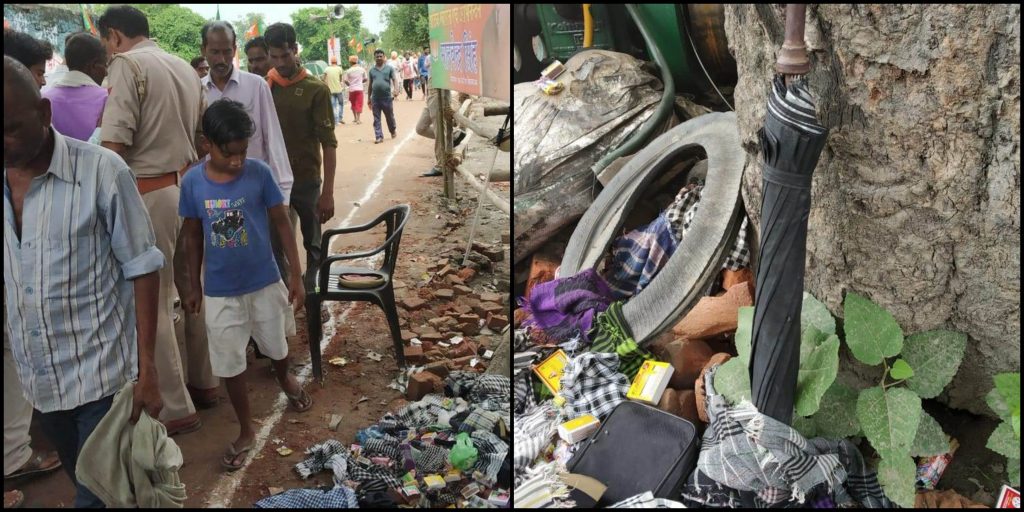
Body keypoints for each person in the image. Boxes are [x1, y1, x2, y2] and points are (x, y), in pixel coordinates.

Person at [3, 55, 165, 508]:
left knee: (97, 498)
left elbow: (143, 266)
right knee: (89, 484)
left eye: (11, 127)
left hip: (103, 382)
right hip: (42, 384)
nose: (4, 142)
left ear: (44, 114)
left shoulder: (101, 172)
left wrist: (148, 368)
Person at [179, 99, 312, 472]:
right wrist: (192, 285)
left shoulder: (259, 174)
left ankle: (284, 376)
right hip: (220, 291)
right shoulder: (192, 182)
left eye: (242, 152)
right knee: (230, 361)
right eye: (228, 153)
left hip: (265, 281)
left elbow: (282, 223)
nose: (237, 161)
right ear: (206, 143)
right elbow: (192, 236)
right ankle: (245, 428)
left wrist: (295, 274)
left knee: (277, 344)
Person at [97, 4, 206, 436]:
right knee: (189, 285)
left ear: (115, 36)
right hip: (182, 186)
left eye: (106, 42)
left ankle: (176, 407)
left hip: (148, 191)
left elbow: (113, 145)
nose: (107, 51)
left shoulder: (127, 65)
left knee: (153, 302)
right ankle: (206, 380)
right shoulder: (181, 65)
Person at [198, 20, 299, 373]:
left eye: (227, 50)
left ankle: (279, 346)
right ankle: (250, 343)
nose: (222, 58)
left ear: (235, 49)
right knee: (236, 259)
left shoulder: (257, 86)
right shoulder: (198, 92)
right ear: (204, 52)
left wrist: (282, 193)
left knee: (270, 267)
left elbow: (272, 139)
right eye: (215, 51)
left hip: (260, 196)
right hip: (222, 200)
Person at [264, 22, 337, 292]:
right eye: (275, 56)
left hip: (307, 181)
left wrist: (327, 192)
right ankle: (286, 299)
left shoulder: (316, 89)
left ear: (295, 50)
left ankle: (315, 297)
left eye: (286, 55)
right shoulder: (265, 87)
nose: (281, 62)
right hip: (273, 182)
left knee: (313, 244)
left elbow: (329, 144)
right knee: (276, 244)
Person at [41, 32, 108, 142]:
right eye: (105, 65)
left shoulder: (45, 98)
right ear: (94, 65)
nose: (106, 72)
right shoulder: (106, 99)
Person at [416, 88, 467, 177]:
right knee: (420, 128)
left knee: (439, 131)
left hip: (438, 94)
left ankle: (440, 166)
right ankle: (455, 134)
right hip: (431, 95)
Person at [367, 48, 400, 144]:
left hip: (387, 98)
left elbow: (394, 79)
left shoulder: (389, 68)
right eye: (377, 56)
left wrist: (396, 89)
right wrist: (369, 98)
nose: (379, 58)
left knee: (389, 116)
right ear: (374, 58)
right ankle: (379, 136)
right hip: (375, 99)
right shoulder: (372, 70)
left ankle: (392, 130)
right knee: (376, 118)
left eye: (381, 56)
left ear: (384, 57)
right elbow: (370, 85)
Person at [344, 54, 367, 125]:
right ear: (357, 61)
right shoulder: (362, 69)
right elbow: (366, 78)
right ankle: (358, 119)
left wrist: (349, 84)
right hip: (359, 89)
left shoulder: (348, 71)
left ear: (350, 62)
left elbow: (345, 80)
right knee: (359, 104)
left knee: (353, 104)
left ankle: (355, 118)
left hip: (351, 89)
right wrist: (361, 82)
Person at [323, 56, 346, 125]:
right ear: (336, 62)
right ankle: (340, 118)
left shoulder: (327, 69)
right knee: (341, 104)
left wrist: (327, 84)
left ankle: (335, 121)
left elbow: (323, 79)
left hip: (330, 90)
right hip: (339, 89)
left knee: (333, 105)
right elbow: (341, 79)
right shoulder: (339, 69)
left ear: (331, 62)